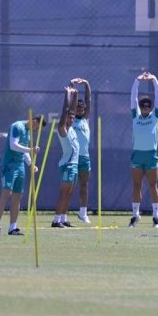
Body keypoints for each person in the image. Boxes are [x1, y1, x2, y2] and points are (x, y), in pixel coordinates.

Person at [0, 115, 44, 235]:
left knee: (17, 196)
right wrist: (30, 149)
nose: (35, 129)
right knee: (6, 193)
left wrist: (30, 164)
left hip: (20, 166)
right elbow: (13, 145)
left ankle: (13, 228)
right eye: (36, 126)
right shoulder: (17, 126)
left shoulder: (28, 132)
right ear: (33, 121)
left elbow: (23, 150)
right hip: (9, 165)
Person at [128, 72, 158, 229]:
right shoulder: (135, 115)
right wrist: (137, 81)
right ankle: (135, 215)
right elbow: (133, 98)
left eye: (148, 106)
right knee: (136, 185)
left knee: (152, 185)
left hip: (151, 155)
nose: (145, 108)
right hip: (137, 155)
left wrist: (154, 80)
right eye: (143, 106)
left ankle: (156, 217)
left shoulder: (155, 116)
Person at [52, 86, 80, 228]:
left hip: (74, 165)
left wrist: (76, 94)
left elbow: (72, 110)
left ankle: (63, 218)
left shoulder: (73, 129)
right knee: (64, 193)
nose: (72, 118)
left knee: (69, 193)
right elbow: (65, 111)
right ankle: (56, 220)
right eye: (69, 117)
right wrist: (67, 95)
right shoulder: (62, 129)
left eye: (73, 117)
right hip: (67, 165)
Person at [71, 78, 92, 224]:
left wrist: (86, 84)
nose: (80, 110)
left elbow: (89, 100)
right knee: (69, 187)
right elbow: (71, 100)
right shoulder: (70, 119)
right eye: (77, 108)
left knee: (84, 185)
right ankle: (62, 215)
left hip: (84, 157)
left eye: (82, 108)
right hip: (72, 156)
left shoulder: (85, 119)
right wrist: (72, 86)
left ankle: (83, 213)